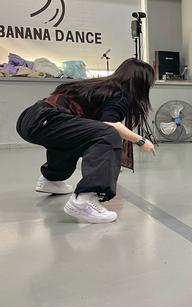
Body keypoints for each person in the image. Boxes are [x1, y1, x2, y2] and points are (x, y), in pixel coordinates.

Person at [16, 58, 156, 223]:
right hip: (46, 120)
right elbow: (110, 123)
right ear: (141, 82)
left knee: (77, 138)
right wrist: (140, 140)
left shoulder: (100, 86)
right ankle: (85, 200)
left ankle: (51, 180)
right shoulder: (120, 95)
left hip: (30, 118)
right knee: (108, 134)